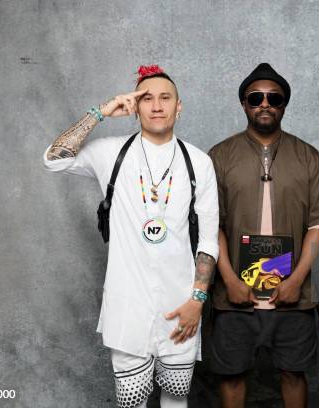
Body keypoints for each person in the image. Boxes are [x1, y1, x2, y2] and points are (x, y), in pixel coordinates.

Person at [42, 65, 219, 408]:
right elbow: (53, 160)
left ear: (178, 106)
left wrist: (197, 300)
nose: (156, 106)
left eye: (165, 98)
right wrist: (102, 112)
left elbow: (209, 239)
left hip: (180, 306)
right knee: (132, 403)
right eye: (146, 98)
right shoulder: (111, 153)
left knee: (175, 399)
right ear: (135, 107)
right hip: (127, 310)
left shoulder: (199, 162)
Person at [208, 63, 319, 408]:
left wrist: (297, 279)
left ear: (283, 104)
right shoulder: (219, 156)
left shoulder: (308, 156)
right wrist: (229, 279)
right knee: (232, 376)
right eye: (255, 97)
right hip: (232, 295)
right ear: (244, 104)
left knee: (293, 374)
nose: (264, 103)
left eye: (274, 98)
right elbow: (210, 225)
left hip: (292, 295)